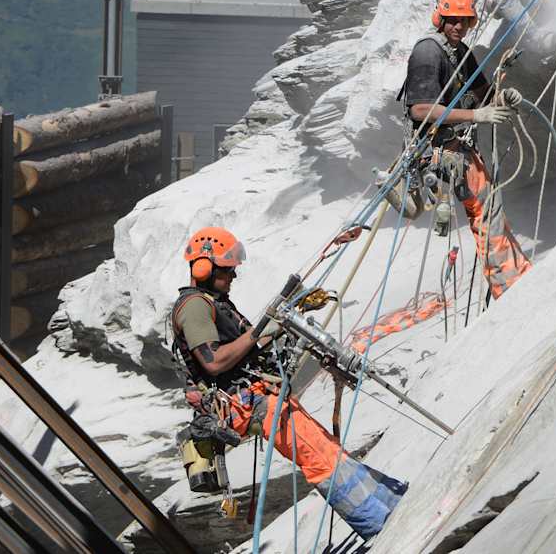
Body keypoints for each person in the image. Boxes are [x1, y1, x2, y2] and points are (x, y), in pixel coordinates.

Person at [169, 227, 405, 539]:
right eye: (226, 271)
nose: (233, 276)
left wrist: (289, 314)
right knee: (318, 456)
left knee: (324, 447)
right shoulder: (195, 306)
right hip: (244, 402)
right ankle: (376, 523)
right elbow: (214, 361)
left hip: (257, 396)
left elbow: (248, 346)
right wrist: (258, 333)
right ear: (204, 269)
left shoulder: (215, 301)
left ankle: (390, 500)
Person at [402, 0, 532, 300]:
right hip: (435, 150)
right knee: (485, 209)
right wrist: (476, 116)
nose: (459, 26)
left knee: (489, 208)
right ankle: (508, 284)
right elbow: (420, 109)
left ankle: (512, 274)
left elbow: (484, 95)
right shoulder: (428, 52)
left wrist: (504, 98)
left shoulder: (460, 53)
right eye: (453, 20)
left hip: (455, 147)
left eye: (464, 20)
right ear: (441, 19)